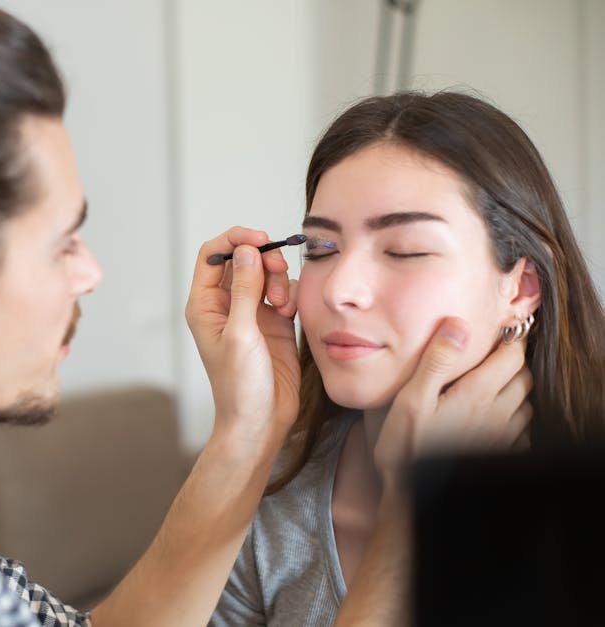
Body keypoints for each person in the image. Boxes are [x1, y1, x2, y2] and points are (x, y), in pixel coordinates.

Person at [0, 1, 531, 624]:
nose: (93, 273)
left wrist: (249, 428)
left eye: (408, 248)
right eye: (62, 244)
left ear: (521, 286)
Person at [210, 89, 605, 626]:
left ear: (521, 287)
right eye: (322, 249)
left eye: (405, 251)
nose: (339, 290)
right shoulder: (272, 492)